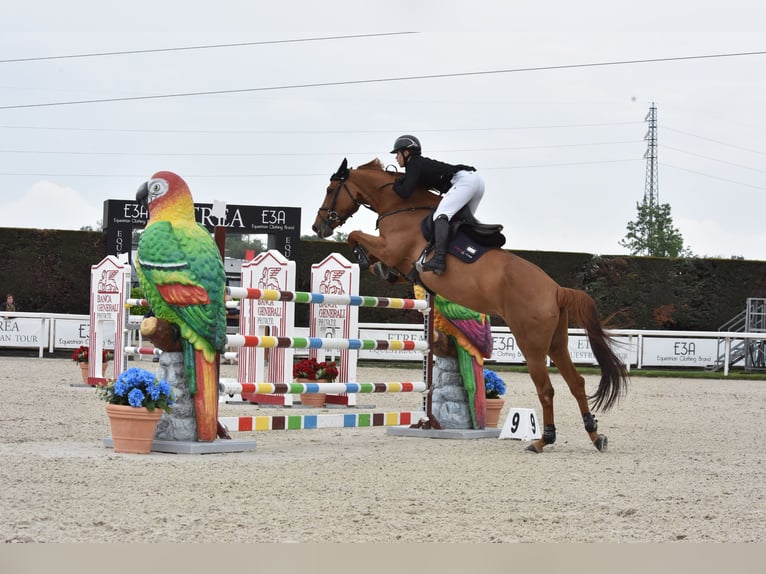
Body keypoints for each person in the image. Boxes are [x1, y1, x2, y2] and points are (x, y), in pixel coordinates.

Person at [389, 134, 485, 274]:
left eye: (397, 153)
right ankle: (468, 256)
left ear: (406, 152)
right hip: (476, 182)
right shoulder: (418, 164)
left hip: (464, 182)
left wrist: (395, 185)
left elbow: (405, 193)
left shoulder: (414, 163)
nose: (396, 157)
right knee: (461, 223)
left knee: (441, 215)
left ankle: (439, 260)